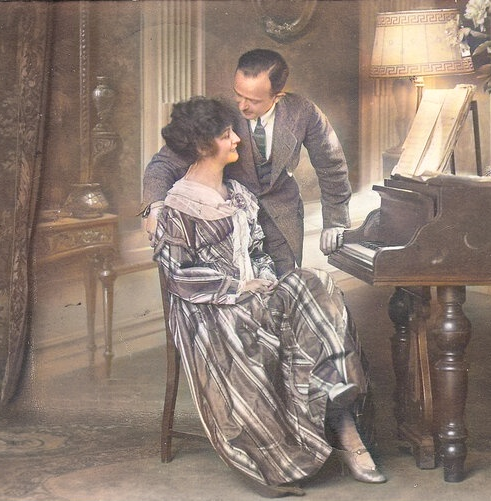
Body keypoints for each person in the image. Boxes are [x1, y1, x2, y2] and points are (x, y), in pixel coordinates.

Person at [152, 97, 385, 497]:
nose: (237, 141)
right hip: (209, 311)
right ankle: (320, 432)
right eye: (227, 135)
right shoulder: (178, 205)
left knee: (316, 283)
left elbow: (257, 253)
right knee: (254, 319)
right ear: (204, 146)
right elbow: (177, 274)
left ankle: (336, 394)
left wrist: (263, 279)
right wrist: (236, 288)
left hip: (252, 293)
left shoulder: (239, 195)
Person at [142, 48, 352, 275]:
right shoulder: (220, 109)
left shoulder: (304, 112)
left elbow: (332, 167)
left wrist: (335, 222)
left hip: (283, 221)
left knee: (284, 286)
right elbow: (164, 163)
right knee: (242, 290)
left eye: (252, 100)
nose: (242, 106)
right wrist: (155, 207)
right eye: (238, 94)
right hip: (231, 227)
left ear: (277, 96)